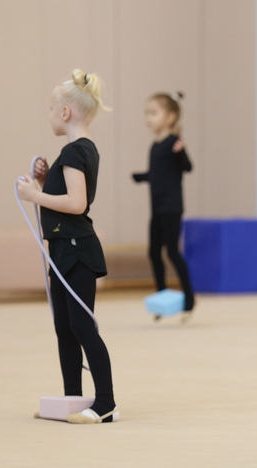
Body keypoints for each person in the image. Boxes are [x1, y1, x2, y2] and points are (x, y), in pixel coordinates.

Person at [17, 69, 118, 423]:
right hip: (62, 249)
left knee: (81, 325)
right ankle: (73, 399)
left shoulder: (76, 151)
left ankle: (105, 403)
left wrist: (35, 194)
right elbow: (69, 195)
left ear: (65, 113)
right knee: (65, 326)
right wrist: (46, 181)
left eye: (50, 109)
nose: (49, 115)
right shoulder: (75, 152)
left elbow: (77, 203)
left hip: (77, 249)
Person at [132, 92, 195, 322]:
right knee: (153, 252)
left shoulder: (173, 143)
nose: (148, 118)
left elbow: (188, 167)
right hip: (156, 209)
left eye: (154, 112)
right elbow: (158, 175)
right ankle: (161, 297)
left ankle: (189, 298)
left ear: (170, 117)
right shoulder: (154, 146)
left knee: (172, 252)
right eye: (147, 113)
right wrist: (142, 177)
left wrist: (180, 154)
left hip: (171, 207)